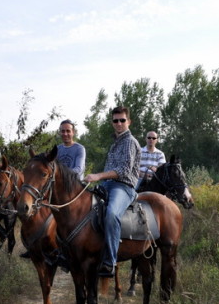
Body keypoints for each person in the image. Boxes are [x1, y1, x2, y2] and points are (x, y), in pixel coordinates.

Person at [83, 106, 141, 277]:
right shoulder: (115, 142)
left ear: (128, 122)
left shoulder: (130, 142)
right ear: (112, 122)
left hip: (123, 187)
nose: (119, 123)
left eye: (122, 120)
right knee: (82, 206)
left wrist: (97, 176)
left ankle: (110, 261)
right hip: (108, 185)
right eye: (115, 120)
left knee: (111, 214)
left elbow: (123, 170)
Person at [20, 119, 86, 259]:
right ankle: (35, 244)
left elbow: (79, 170)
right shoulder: (58, 150)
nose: (65, 134)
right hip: (58, 190)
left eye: (68, 131)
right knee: (38, 208)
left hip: (74, 188)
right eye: (63, 131)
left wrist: (63, 178)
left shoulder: (79, 149)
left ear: (73, 132)